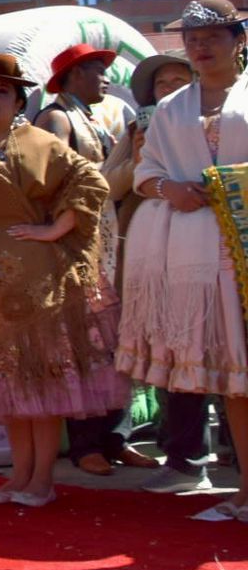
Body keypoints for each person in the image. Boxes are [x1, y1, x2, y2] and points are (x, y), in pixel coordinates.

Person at [0, 52, 125, 507]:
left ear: (19, 101)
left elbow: (91, 184)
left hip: (39, 287)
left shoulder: (41, 143)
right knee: (10, 392)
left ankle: (42, 481)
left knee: (42, 388)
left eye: (1, 91)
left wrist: (55, 229)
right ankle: (19, 477)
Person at [121, 0, 248, 519]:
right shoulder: (172, 110)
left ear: (238, 41)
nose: (200, 46)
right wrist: (167, 186)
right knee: (233, 374)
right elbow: (142, 172)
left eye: (213, 36)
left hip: (243, 239)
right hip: (199, 253)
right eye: (193, 39)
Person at [34, 43, 159, 477]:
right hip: (76, 244)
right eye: (95, 69)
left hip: (111, 238)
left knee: (116, 340)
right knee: (84, 343)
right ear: (71, 76)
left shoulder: (103, 116)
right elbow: (49, 184)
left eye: (106, 69)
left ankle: (117, 438)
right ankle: (86, 443)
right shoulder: (55, 118)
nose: (106, 77)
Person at [107, 51, 213, 493]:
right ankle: (185, 457)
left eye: (178, 80)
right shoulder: (136, 130)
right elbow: (107, 183)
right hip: (153, 252)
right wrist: (143, 166)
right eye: (162, 83)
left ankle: (228, 452)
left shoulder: (222, 117)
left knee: (225, 349)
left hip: (215, 244)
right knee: (177, 350)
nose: (170, 89)